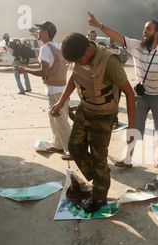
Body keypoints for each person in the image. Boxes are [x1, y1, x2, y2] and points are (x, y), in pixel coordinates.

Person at [51, 32, 135, 213]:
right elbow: (75, 77)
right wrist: (61, 101)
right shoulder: (79, 57)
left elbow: (129, 93)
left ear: (89, 49)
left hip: (103, 116)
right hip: (84, 109)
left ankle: (99, 196)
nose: (78, 64)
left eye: (80, 60)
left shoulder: (109, 62)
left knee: (98, 158)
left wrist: (132, 128)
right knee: (74, 147)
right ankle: (101, 175)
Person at [87, 12, 158, 169]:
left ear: (156, 33)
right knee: (134, 126)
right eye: (144, 29)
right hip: (141, 95)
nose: (145, 31)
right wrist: (100, 26)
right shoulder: (136, 45)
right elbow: (118, 36)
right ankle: (128, 159)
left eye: (148, 29)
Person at [14, 21, 72, 160]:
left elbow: (44, 72)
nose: (37, 32)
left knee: (60, 120)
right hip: (62, 89)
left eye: (39, 29)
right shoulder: (57, 47)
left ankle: (73, 150)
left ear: (45, 32)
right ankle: (58, 145)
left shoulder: (45, 49)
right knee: (54, 118)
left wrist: (25, 69)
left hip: (53, 91)